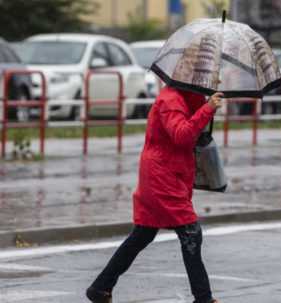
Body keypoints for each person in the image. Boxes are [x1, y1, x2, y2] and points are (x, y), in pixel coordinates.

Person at [86, 88, 223, 303]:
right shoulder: (169, 100)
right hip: (162, 177)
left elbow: (195, 124)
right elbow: (182, 135)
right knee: (191, 233)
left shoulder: (188, 96)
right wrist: (208, 109)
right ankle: (204, 298)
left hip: (171, 173)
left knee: (143, 234)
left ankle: (100, 288)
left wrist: (209, 104)